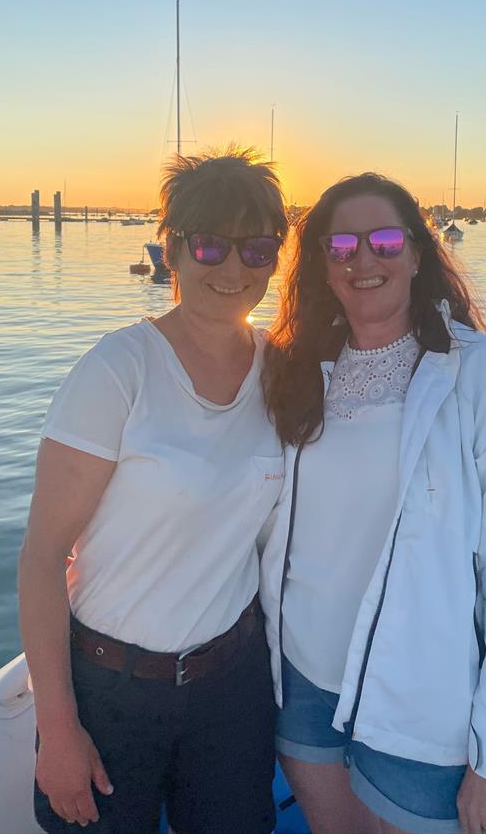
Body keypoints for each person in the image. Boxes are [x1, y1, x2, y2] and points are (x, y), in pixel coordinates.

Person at [261, 173, 486, 834]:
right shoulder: (297, 370)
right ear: (322, 263)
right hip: (304, 679)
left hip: (419, 697)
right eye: (341, 245)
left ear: (419, 254)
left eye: (385, 240)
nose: (363, 259)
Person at [19, 148, 288, 834]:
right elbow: (42, 556)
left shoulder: (280, 373)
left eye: (258, 249)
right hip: (111, 691)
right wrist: (57, 725)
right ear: (171, 250)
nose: (234, 269)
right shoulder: (118, 371)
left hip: (233, 687)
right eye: (210, 245)